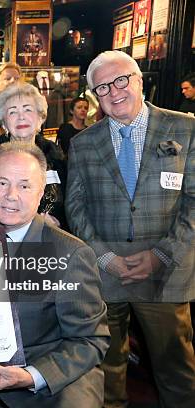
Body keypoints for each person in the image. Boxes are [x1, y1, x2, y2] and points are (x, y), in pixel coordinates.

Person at [66, 50, 195, 408]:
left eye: (121, 80)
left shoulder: (185, 127)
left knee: (177, 371)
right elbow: (75, 208)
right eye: (102, 87)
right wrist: (104, 258)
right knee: (106, 373)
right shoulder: (82, 143)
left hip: (165, 273)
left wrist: (161, 255)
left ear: (139, 81)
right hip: (105, 275)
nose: (114, 91)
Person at [0, 142, 109, 407]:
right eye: (1, 183)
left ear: (41, 192)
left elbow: (90, 340)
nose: (11, 195)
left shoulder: (70, 254)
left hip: (50, 387)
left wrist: (31, 377)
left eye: (24, 185)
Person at [0, 82, 67, 229]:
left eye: (27, 110)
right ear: (3, 123)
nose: (21, 117)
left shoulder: (56, 156)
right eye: (12, 112)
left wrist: (58, 222)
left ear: (40, 119)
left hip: (50, 238)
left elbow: (69, 202)